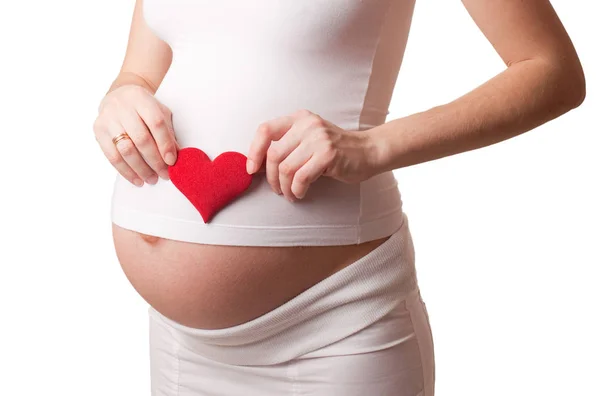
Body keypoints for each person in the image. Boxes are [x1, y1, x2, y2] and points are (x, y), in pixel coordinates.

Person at [93, 1, 585, 395]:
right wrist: (119, 99)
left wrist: (374, 146)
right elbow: (140, 73)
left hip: (335, 335)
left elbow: (550, 70)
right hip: (181, 345)